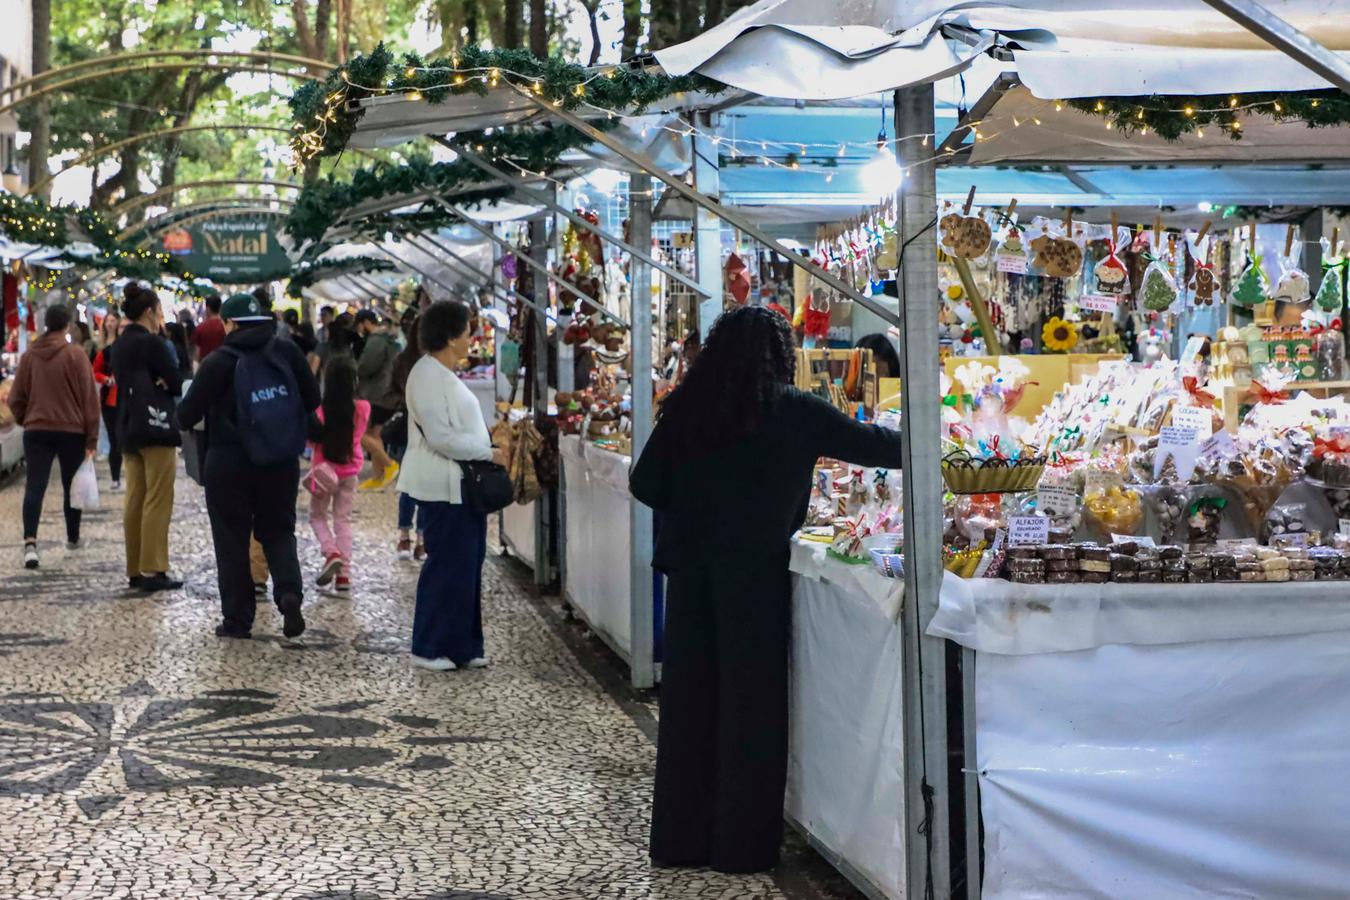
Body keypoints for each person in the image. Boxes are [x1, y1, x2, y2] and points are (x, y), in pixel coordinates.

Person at [629, 306, 905, 874]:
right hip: (754, 572)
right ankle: (741, 847)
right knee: (750, 710)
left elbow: (645, 482)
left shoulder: (688, 407)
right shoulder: (794, 410)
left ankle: (681, 841)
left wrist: (699, 502)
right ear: (780, 356)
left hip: (689, 570)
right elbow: (880, 446)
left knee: (690, 705)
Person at [178, 292, 321, 641]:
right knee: (278, 529)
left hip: (229, 462)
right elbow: (313, 399)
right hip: (280, 459)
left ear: (229, 324)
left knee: (231, 538)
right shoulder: (287, 351)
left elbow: (186, 415)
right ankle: (289, 594)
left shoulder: (219, 362)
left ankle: (238, 619)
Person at [398, 301, 504, 671]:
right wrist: (489, 454)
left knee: (468, 565)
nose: (470, 337)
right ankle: (428, 646)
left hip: (461, 487)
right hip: (442, 486)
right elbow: (441, 437)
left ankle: (464, 645)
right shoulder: (426, 375)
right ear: (449, 336)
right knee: (445, 566)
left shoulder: (444, 374)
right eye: (465, 330)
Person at [8, 304, 100, 569]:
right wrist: (91, 438)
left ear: (46, 324)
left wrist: (26, 419)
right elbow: (89, 400)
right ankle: (72, 537)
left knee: (35, 486)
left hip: (37, 430)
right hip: (71, 431)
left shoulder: (29, 357)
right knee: (73, 486)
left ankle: (30, 544)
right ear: (67, 326)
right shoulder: (76, 356)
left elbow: (15, 398)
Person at [112, 284, 185, 593]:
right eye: (159, 310)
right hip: (156, 425)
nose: (161, 316)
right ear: (149, 312)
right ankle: (154, 569)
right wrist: (165, 383)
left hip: (127, 424)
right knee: (157, 496)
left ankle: (134, 568)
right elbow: (176, 381)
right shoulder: (152, 344)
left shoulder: (119, 344)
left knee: (135, 497)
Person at [309, 356, 368, 595]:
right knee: (343, 520)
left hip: (324, 471)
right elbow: (360, 433)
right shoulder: (363, 408)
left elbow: (311, 439)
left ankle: (330, 551)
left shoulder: (320, 411)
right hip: (350, 469)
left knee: (317, 516)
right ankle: (344, 576)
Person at [390, 314, 425, 561]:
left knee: (409, 484)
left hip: (408, 425)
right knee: (422, 486)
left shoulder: (402, 360)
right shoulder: (429, 361)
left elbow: (391, 390)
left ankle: (405, 537)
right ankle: (421, 540)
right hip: (419, 427)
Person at [354, 308, 401, 490]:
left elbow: (367, 367)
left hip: (376, 394)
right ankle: (379, 476)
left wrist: (356, 369)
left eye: (359, 325)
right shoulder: (390, 340)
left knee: (359, 432)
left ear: (365, 322)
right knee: (374, 434)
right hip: (388, 393)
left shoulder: (376, 341)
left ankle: (389, 465)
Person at [92, 313, 124, 493]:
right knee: (114, 437)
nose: (111, 324)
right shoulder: (103, 351)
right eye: (108, 321)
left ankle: (119, 473)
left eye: (114, 321)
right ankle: (115, 476)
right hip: (109, 397)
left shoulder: (123, 348)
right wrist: (106, 379)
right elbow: (94, 371)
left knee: (120, 437)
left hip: (125, 397)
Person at [194, 294, 226, 360]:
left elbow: (197, 354)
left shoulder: (200, 327)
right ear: (220, 308)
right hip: (223, 366)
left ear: (208, 309)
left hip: (204, 366)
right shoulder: (226, 326)